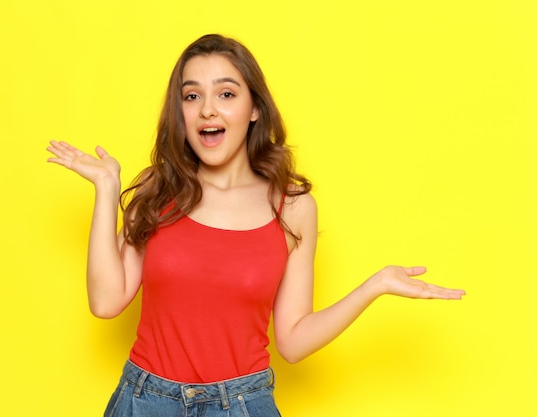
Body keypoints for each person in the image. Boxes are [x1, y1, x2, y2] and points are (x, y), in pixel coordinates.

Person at [46, 34, 465, 417]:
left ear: (254, 110)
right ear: (182, 112)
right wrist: (107, 188)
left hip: (242, 404)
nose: (207, 108)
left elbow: (293, 340)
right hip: (145, 401)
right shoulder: (159, 190)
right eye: (192, 96)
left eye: (226, 93)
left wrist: (374, 286)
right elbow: (105, 302)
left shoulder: (292, 208)